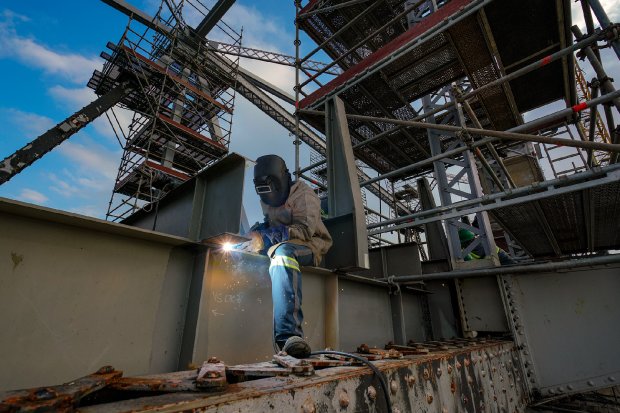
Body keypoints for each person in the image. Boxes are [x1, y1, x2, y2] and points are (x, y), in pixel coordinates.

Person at [236, 155, 332, 358]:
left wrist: (266, 237)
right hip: (280, 242)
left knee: (282, 254)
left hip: (310, 245)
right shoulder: (266, 197)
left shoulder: (304, 195)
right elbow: (269, 222)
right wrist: (255, 234)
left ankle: (290, 335)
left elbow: (305, 230)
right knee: (242, 249)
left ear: (284, 179)